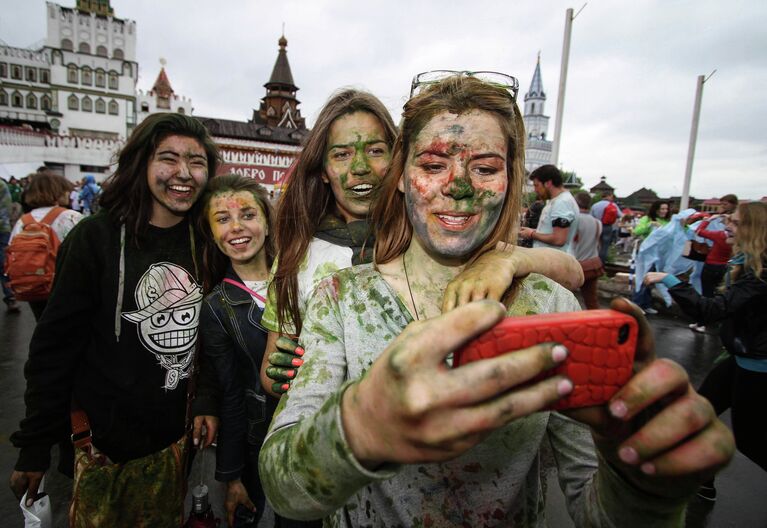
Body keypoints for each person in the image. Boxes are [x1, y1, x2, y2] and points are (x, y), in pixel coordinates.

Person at [259, 73, 733, 526]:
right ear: (401, 176)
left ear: (510, 179)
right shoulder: (342, 298)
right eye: (432, 164)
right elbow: (284, 487)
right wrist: (359, 428)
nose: (459, 186)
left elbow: (595, 507)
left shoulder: (549, 305)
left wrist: (642, 486)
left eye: (485, 167)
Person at [261, 90, 584, 396]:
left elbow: (571, 273)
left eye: (375, 150)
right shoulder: (299, 258)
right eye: (342, 154)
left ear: (398, 162)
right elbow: (271, 374)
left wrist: (507, 259)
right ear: (322, 170)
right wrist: (294, 380)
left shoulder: (433, 233)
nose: (360, 168)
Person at [9, 113, 220, 526]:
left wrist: (208, 400)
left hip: (175, 449)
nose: (183, 173)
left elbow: (213, 338)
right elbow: (54, 351)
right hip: (102, 449)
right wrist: (34, 445)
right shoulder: (95, 239)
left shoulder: (207, 243)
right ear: (141, 163)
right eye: (169, 158)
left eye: (196, 162)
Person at [198, 174, 308, 528]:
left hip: (312, 432)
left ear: (266, 219)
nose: (236, 228)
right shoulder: (216, 306)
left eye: (247, 215)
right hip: (259, 443)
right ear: (212, 233)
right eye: (223, 219)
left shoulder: (301, 275)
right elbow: (231, 394)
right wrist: (231, 477)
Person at [644, 201, 767, 500]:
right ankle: (702, 479)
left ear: (752, 229)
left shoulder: (759, 275)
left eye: (735, 223)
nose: (727, 226)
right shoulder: (748, 263)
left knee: (750, 440)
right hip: (740, 357)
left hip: (756, 364)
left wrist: (670, 280)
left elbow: (712, 311)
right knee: (700, 412)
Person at [8, 172, 83, 320]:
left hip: (33, 284)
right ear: (57, 191)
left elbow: (12, 247)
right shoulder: (70, 217)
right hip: (64, 286)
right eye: (65, 189)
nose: (69, 193)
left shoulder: (23, 221)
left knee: (42, 323)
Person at [687, 197, 736, 332]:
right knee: (718, 294)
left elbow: (699, 231)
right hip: (724, 266)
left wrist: (708, 220)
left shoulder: (719, 235)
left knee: (707, 295)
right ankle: (714, 322)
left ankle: (702, 322)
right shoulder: (736, 239)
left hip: (711, 266)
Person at [519, 164, 579, 255]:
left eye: (537, 185)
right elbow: (552, 232)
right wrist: (534, 231)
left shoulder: (562, 203)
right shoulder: (557, 201)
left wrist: (531, 234)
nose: (535, 190)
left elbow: (559, 239)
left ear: (548, 183)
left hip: (555, 262)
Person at [631, 200, 672, 314]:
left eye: (666, 209)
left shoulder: (668, 222)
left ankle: (646, 304)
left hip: (660, 257)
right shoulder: (647, 219)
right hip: (646, 256)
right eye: (662, 209)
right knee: (642, 279)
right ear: (656, 209)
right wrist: (650, 225)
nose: (664, 211)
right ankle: (637, 304)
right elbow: (637, 231)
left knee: (651, 280)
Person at [573, 191, 603, 309]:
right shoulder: (598, 222)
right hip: (593, 265)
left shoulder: (575, 220)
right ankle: (597, 325)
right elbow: (598, 244)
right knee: (591, 301)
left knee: (564, 300)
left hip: (576, 265)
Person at [0, 177, 20, 312]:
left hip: (1, 230)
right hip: (3, 229)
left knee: (3, 264)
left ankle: (10, 296)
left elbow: (6, 208)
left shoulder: (1, 186)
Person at [590, 190, 620, 264]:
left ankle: (594, 260)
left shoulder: (595, 205)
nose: (612, 198)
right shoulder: (613, 205)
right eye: (612, 196)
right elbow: (620, 215)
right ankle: (601, 263)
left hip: (596, 226)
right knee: (605, 246)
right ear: (609, 196)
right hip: (607, 227)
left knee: (595, 244)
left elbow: (591, 216)